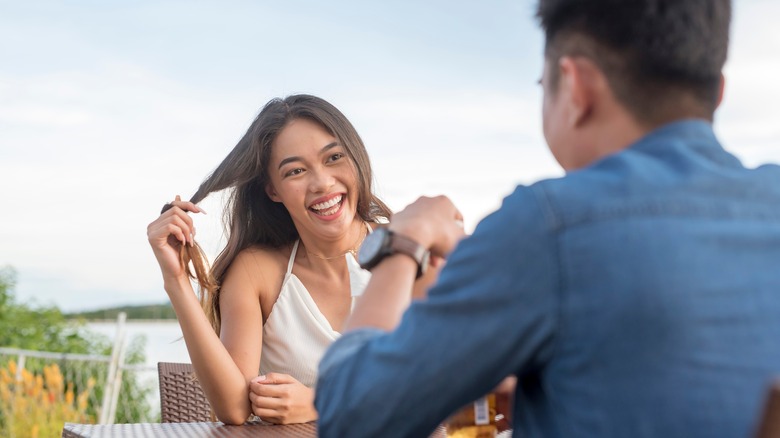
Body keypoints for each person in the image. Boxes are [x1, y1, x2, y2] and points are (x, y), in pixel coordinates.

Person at [314, 1, 780, 437]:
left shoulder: (550, 226)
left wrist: (403, 243)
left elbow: (349, 414)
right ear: (717, 92)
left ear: (575, 86)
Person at [146, 94, 397, 425]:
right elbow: (234, 409)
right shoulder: (258, 272)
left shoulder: (408, 250)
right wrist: (176, 281)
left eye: (334, 157)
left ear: (357, 158)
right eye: (295, 171)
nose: (322, 183)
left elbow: (445, 382)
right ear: (273, 190)